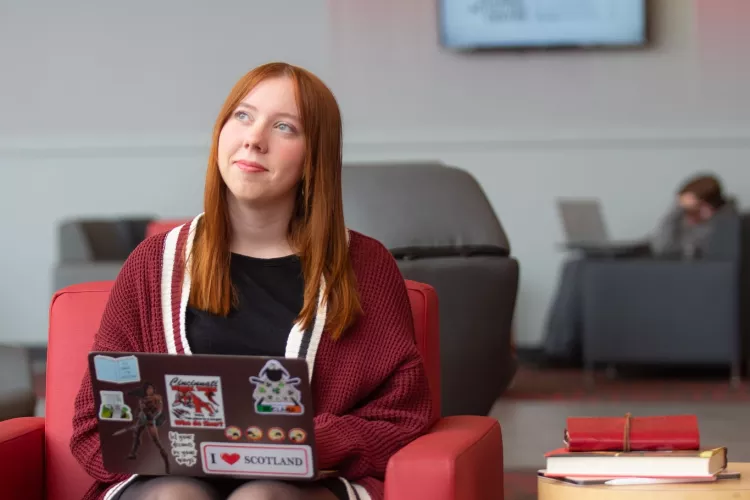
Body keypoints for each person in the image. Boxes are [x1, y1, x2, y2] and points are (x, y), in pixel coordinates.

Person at [70, 62, 434, 500]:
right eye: (242, 116)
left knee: (259, 497)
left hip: (300, 487)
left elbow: (401, 417)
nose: (253, 139)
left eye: (284, 127)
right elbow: (93, 424)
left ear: (314, 155)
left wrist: (303, 443)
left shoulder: (364, 267)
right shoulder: (154, 262)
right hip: (165, 485)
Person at [542, 173, 740, 365]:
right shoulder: (689, 218)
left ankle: (561, 349)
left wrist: (679, 212)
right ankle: (561, 345)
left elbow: (665, 247)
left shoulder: (719, 224)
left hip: (659, 267)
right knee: (576, 264)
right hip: (650, 254)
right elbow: (658, 240)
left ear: (705, 203)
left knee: (584, 268)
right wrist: (678, 211)